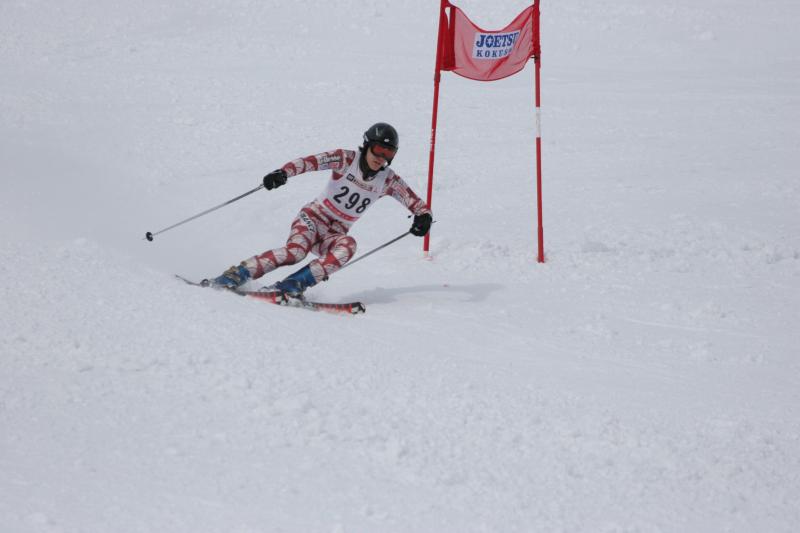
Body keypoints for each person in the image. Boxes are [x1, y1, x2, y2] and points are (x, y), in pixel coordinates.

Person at [210, 122, 433, 297]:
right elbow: (310, 162)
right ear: (367, 145)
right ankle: (237, 275)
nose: (381, 158)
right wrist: (283, 173)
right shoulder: (346, 159)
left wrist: (423, 218)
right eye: (378, 149)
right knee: (296, 252)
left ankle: (291, 286)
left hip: (334, 233)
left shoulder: (388, 180)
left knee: (348, 246)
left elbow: (418, 205)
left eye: (388, 153)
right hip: (312, 219)